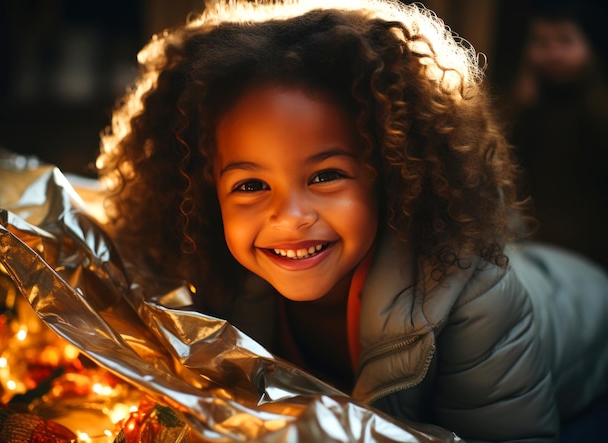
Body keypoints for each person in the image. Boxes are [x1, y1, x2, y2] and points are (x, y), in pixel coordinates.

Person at [96, 1, 608, 441]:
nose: (289, 217)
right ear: (207, 193)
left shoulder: (477, 301)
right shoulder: (216, 279)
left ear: (390, 174)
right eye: (250, 185)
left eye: (325, 176)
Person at [505, 4, 608, 270]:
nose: (553, 52)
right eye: (541, 41)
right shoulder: (521, 107)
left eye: (565, 40)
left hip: (591, 258)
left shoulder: (597, 111)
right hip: (532, 250)